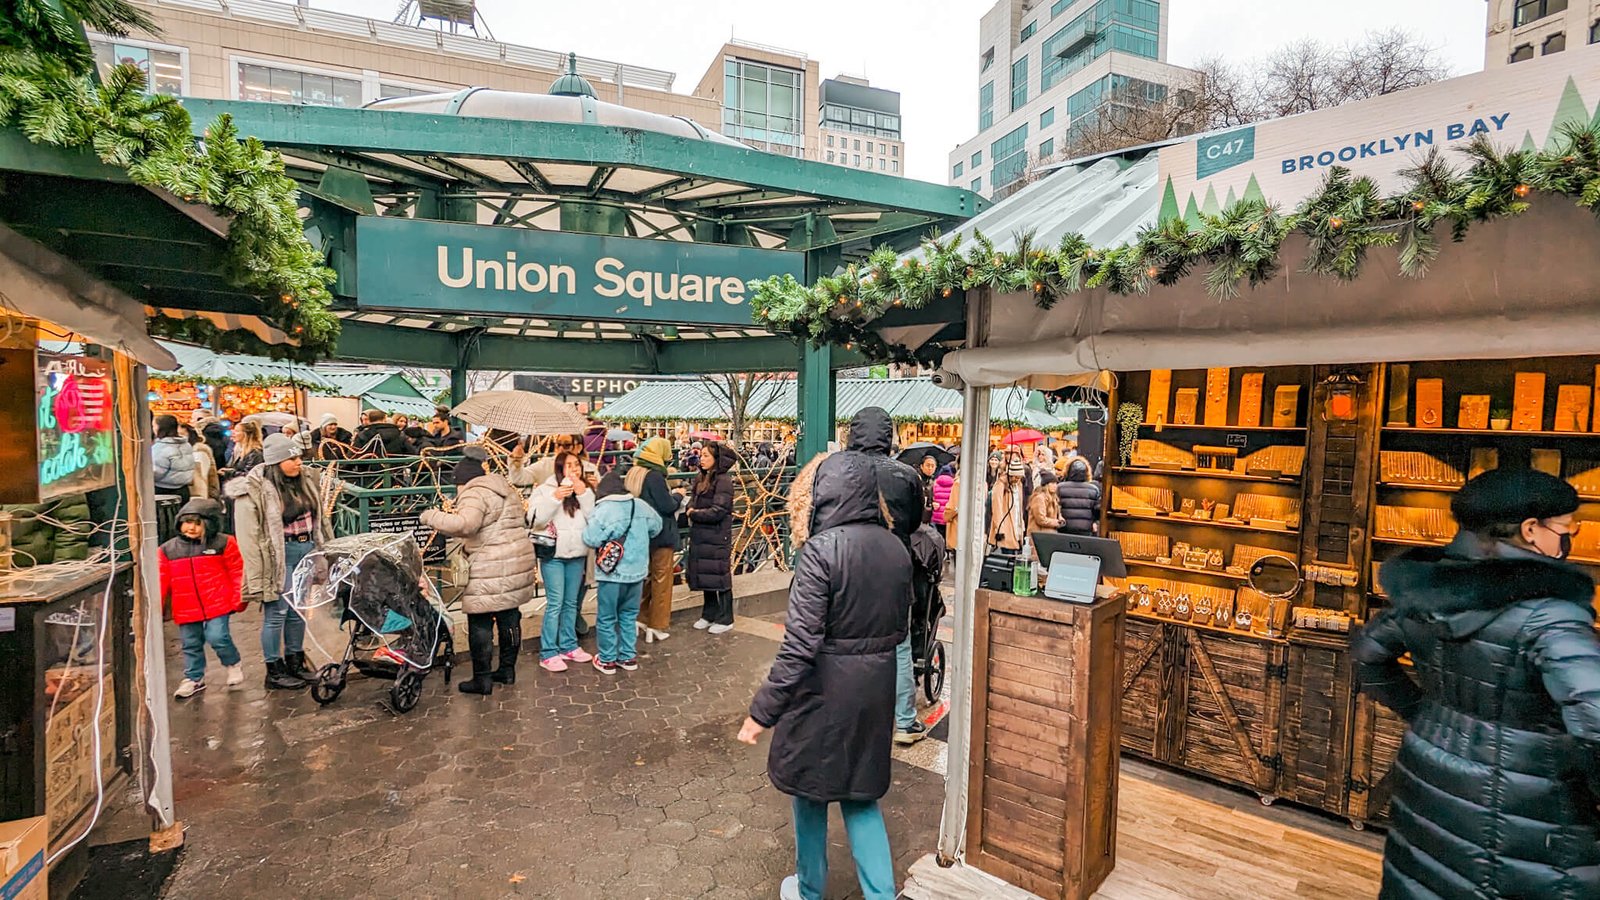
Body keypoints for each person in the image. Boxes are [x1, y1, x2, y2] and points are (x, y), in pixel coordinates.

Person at [1352, 468, 1600, 900]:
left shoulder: (1428, 590)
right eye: (1564, 528)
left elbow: (1369, 655)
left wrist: (1426, 716)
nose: (1567, 539)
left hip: (1429, 774)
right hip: (1528, 809)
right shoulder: (1550, 615)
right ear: (1530, 530)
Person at [738, 450, 912, 900]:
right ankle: (881, 894)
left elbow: (799, 645)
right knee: (861, 793)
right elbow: (901, 627)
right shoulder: (895, 546)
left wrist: (762, 712)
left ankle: (809, 889)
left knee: (810, 791)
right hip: (876, 686)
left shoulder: (820, 551)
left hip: (822, 690)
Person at [419, 454, 537, 694]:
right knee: (509, 616)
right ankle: (507, 670)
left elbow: (466, 525)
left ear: (463, 480)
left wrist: (430, 516)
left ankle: (482, 679)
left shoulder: (474, 492)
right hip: (515, 560)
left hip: (489, 565)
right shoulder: (505, 489)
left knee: (480, 617)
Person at [227, 433, 336, 691]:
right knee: (277, 613)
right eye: (292, 458)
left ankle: (295, 661)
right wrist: (258, 572)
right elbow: (249, 536)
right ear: (277, 462)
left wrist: (326, 550)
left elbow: (321, 519)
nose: (299, 462)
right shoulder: (253, 490)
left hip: (306, 549)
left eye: (299, 457)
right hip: (279, 555)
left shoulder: (306, 481)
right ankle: (273, 670)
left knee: (298, 609)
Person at [159, 498, 245, 698]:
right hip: (186, 606)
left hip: (217, 602)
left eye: (198, 523)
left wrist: (238, 598)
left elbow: (237, 571)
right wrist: (157, 606)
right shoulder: (168, 550)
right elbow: (162, 580)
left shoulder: (224, 543)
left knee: (218, 636)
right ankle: (194, 677)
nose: (191, 528)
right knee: (190, 643)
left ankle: (232, 662)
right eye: (187, 522)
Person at [582, 470, 663, 674]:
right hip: (637, 572)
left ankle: (607, 659)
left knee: (607, 617)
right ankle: (628, 657)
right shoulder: (640, 505)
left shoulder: (604, 510)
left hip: (612, 574)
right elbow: (657, 527)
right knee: (628, 615)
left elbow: (590, 538)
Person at [529, 450, 596, 672]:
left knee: (571, 603)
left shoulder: (584, 490)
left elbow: (594, 518)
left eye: (576, 465)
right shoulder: (545, 489)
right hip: (553, 555)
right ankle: (548, 652)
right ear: (559, 469)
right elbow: (535, 519)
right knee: (555, 603)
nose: (574, 469)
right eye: (569, 465)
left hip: (577, 553)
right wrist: (555, 498)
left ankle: (569, 645)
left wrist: (584, 494)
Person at [627, 437, 681, 644]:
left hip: (642, 534)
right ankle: (657, 625)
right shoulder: (655, 476)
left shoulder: (634, 472)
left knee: (646, 578)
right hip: (661, 534)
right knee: (662, 580)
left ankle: (640, 617)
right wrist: (677, 495)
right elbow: (667, 506)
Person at [687, 441, 738, 633]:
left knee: (719, 576)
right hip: (702, 534)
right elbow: (692, 500)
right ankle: (709, 613)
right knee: (706, 575)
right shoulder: (700, 478)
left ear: (716, 459)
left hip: (716, 534)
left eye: (706, 456)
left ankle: (726, 618)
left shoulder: (723, 480)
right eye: (701, 455)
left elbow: (719, 510)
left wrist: (694, 513)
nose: (702, 458)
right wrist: (691, 509)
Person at [987, 460, 1030, 554]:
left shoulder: (1019, 485)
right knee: (1006, 555)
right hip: (1005, 526)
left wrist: (1021, 524)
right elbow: (996, 507)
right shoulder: (1001, 485)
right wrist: (999, 529)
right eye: (1015, 476)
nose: (1017, 479)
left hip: (1016, 525)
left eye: (1019, 477)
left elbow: (1019, 507)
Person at [151, 414, 195, 502]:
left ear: (160, 427)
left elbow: (157, 472)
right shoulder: (186, 444)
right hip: (183, 490)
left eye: (154, 425)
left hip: (163, 492)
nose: (153, 428)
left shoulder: (160, 447)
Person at [1056, 457, 1102, 536]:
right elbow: (1097, 511)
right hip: (1085, 530)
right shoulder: (1093, 489)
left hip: (1064, 528)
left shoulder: (1059, 487)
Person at [184, 424, 220, 500]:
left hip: (202, 496)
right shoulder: (189, 450)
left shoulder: (199, 450)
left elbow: (201, 479)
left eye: (182, 435)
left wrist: (200, 499)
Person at [1028, 470, 1064, 535]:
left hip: (1049, 534)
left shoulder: (1054, 498)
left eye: (1056, 483)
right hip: (1039, 535)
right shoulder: (1039, 498)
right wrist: (1056, 522)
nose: (1055, 486)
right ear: (1046, 485)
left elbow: (1056, 514)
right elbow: (1041, 519)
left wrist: (1060, 518)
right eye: (1052, 483)